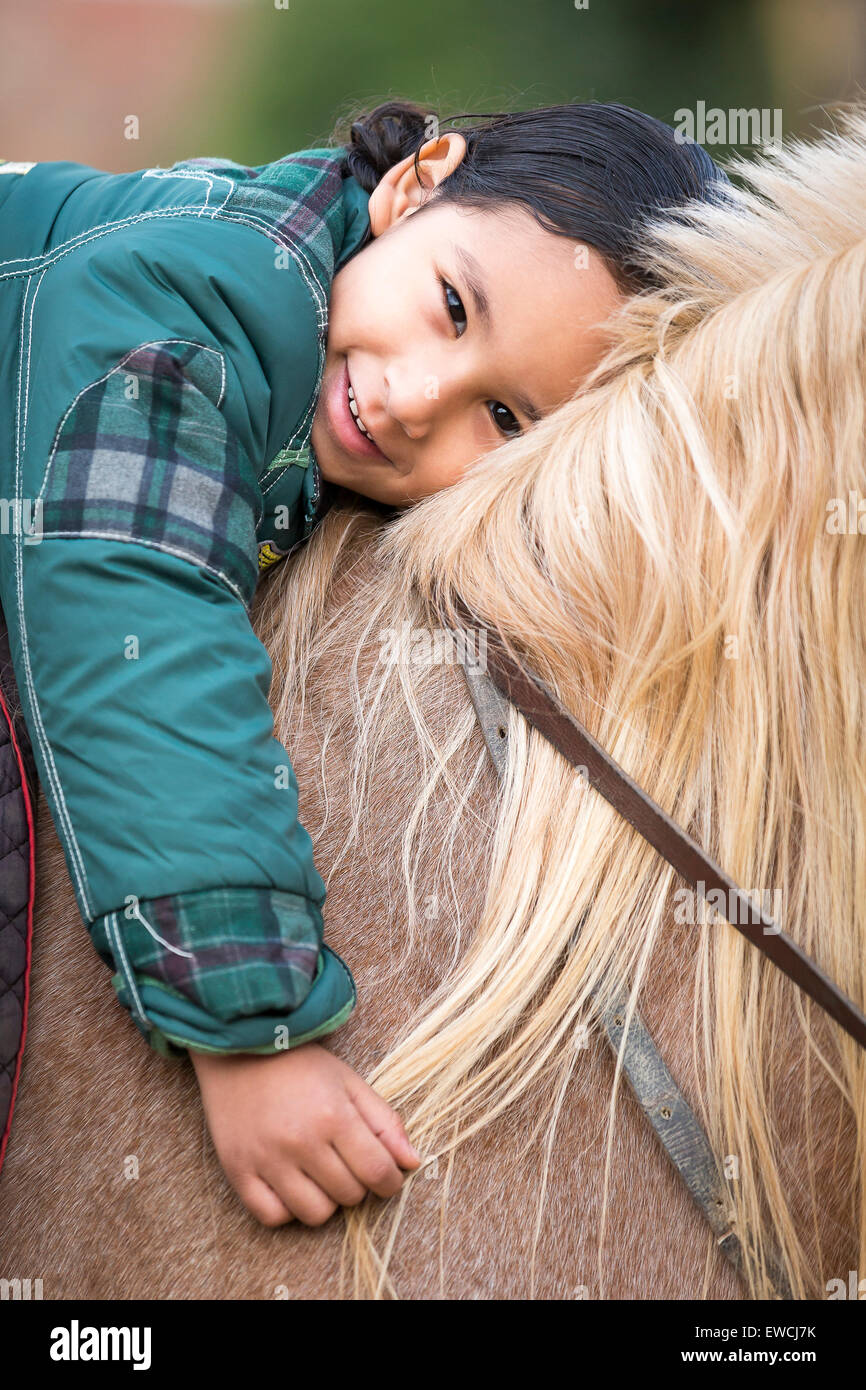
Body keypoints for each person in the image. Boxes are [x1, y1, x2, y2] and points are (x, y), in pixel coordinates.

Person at [0, 98, 726, 1226]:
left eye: (501, 417)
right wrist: (252, 1034)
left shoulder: (323, 316)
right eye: (450, 305)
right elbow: (132, 601)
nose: (413, 399)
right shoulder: (211, 288)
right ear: (418, 181)